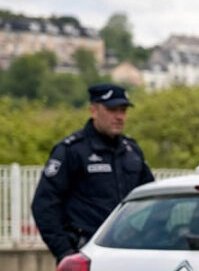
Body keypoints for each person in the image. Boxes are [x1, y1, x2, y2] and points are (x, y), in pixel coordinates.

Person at [32, 83, 155, 261]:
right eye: (112, 110)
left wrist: (145, 235)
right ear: (93, 111)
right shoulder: (72, 150)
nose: (120, 117)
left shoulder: (132, 151)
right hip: (86, 253)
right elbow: (44, 205)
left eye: (123, 110)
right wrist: (65, 252)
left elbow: (151, 200)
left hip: (128, 252)